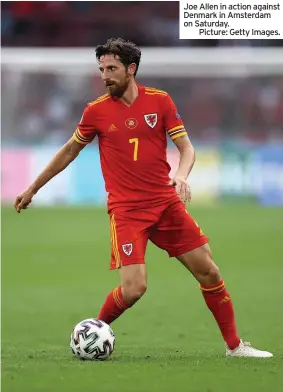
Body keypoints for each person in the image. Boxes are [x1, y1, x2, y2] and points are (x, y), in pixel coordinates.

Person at [14, 38, 272, 358]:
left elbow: (187, 148)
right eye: (101, 69)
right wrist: (32, 188)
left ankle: (235, 347)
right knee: (135, 288)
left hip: (165, 203)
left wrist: (180, 176)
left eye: (112, 69)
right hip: (127, 211)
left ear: (131, 69)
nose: (105, 75)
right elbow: (69, 150)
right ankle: (91, 334)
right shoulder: (96, 111)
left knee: (209, 271)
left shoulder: (160, 102)